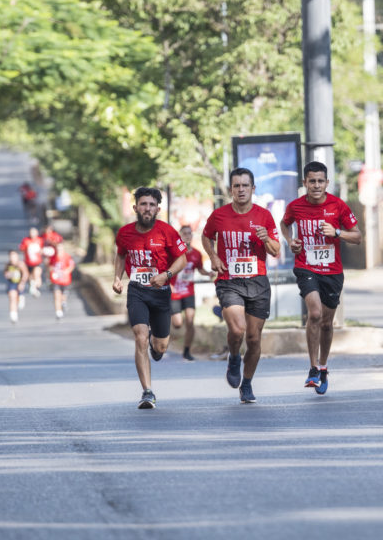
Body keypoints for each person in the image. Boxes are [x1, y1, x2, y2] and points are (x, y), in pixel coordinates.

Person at [280, 161, 362, 395]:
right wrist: (290, 241)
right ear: (304, 183)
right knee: (314, 313)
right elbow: (285, 224)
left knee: (326, 323)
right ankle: (313, 367)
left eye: (320, 181)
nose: (316, 185)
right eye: (311, 181)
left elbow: (357, 237)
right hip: (306, 267)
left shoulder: (338, 206)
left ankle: (324, 366)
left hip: (333, 271)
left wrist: (336, 232)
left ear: (327, 183)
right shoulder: (295, 206)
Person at [202, 167, 281, 403]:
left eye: (245, 185)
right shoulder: (219, 215)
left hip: (257, 281)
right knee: (237, 329)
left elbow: (276, 251)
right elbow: (206, 236)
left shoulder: (264, 216)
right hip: (229, 281)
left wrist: (266, 238)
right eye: (236, 186)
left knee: (255, 338)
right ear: (230, 190)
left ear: (253, 188)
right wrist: (214, 257)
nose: (241, 190)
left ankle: (247, 383)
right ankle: (234, 356)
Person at [113, 186, 188, 409]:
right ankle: (147, 391)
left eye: (152, 205)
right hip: (137, 291)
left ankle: (157, 347)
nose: (147, 208)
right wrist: (117, 278)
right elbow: (120, 255)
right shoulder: (125, 233)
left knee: (161, 347)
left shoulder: (167, 231)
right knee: (140, 337)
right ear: (135, 207)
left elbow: (182, 259)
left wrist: (167, 275)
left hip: (161, 294)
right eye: (143, 204)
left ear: (158, 209)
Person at [169, 225, 216, 361]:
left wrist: (208, 273)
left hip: (189, 291)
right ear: (179, 236)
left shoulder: (196, 254)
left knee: (190, 321)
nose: (187, 236)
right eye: (184, 233)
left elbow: (200, 269)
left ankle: (187, 351)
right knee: (177, 324)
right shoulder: (174, 253)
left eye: (189, 233)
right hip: (175, 293)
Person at [49, 242, 76, 320]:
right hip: (56, 280)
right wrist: (52, 273)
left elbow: (71, 265)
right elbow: (50, 266)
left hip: (65, 280)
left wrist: (66, 272)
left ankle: (63, 302)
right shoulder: (53, 257)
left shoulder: (67, 256)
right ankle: (58, 312)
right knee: (57, 296)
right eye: (57, 248)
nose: (58, 250)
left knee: (63, 296)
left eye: (60, 248)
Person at [3, 250, 29, 324]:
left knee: (18, 299)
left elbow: (25, 273)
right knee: (12, 297)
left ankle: (21, 298)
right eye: (11, 256)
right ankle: (13, 315)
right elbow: (5, 274)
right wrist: (8, 274)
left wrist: (22, 283)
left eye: (14, 256)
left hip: (19, 282)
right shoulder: (8, 265)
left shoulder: (20, 264)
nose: (12, 258)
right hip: (11, 283)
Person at [19, 227, 46, 296]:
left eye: (34, 233)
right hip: (28, 262)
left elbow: (43, 249)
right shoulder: (26, 240)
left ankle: (35, 287)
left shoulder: (40, 240)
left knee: (37, 275)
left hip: (37, 262)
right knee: (31, 277)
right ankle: (33, 288)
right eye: (31, 233)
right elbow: (21, 249)